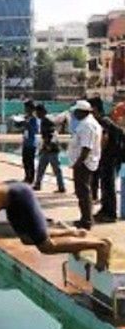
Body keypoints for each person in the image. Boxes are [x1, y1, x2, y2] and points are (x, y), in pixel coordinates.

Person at [68, 99, 102, 231]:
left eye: (76, 111)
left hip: (84, 163)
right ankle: (85, 218)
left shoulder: (87, 125)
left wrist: (78, 163)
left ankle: (86, 221)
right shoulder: (89, 123)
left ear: (82, 112)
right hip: (87, 162)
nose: (74, 114)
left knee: (83, 192)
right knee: (83, 192)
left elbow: (86, 147)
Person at [89, 96, 122, 223]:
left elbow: (105, 138)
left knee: (108, 185)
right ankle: (105, 210)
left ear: (95, 108)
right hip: (109, 157)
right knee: (105, 185)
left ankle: (110, 213)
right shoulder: (103, 120)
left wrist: (98, 154)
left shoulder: (103, 121)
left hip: (110, 158)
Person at [33, 104, 65, 193]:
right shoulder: (44, 120)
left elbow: (52, 134)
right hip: (46, 147)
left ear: (42, 112)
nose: (37, 115)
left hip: (52, 148)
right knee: (41, 167)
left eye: (37, 113)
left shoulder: (47, 120)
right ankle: (37, 184)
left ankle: (61, 187)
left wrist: (48, 145)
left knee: (56, 169)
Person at [21, 100, 39, 184]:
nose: (25, 109)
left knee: (30, 161)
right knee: (25, 160)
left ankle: (31, 178)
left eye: (27, 108)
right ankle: (26, 176)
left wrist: (27, 125)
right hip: (25, 142)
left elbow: (35, 130)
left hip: (31, 143)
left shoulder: (34, 119)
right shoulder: (26, 117)